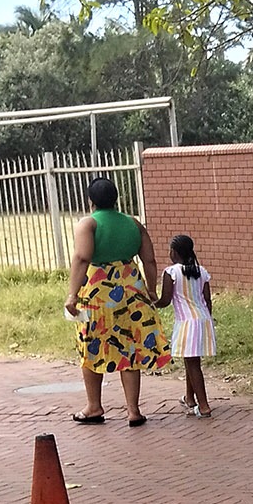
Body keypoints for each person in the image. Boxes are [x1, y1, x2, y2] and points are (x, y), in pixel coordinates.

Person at [66, 176, 169, 426]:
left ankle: (94, 406)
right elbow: (150, 260)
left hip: (98, 291)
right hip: (130, 288)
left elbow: (82, 258)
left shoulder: (88, 224)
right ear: (116, 199)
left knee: (92, 346)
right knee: (129, 346)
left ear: (90, 201)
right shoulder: (133, 223)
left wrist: (72, 295)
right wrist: (151, 290)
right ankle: (133, 410)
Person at [159, 233, 217, 418]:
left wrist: (151, 301)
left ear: (174, 252)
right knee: (191, 360)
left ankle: (204, 405)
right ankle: (190, 399)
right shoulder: (201, 271)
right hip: (203, 319)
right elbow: (207, 299)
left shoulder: (171, 272)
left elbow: (165, 300)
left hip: (186, 322)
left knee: (193, 365)